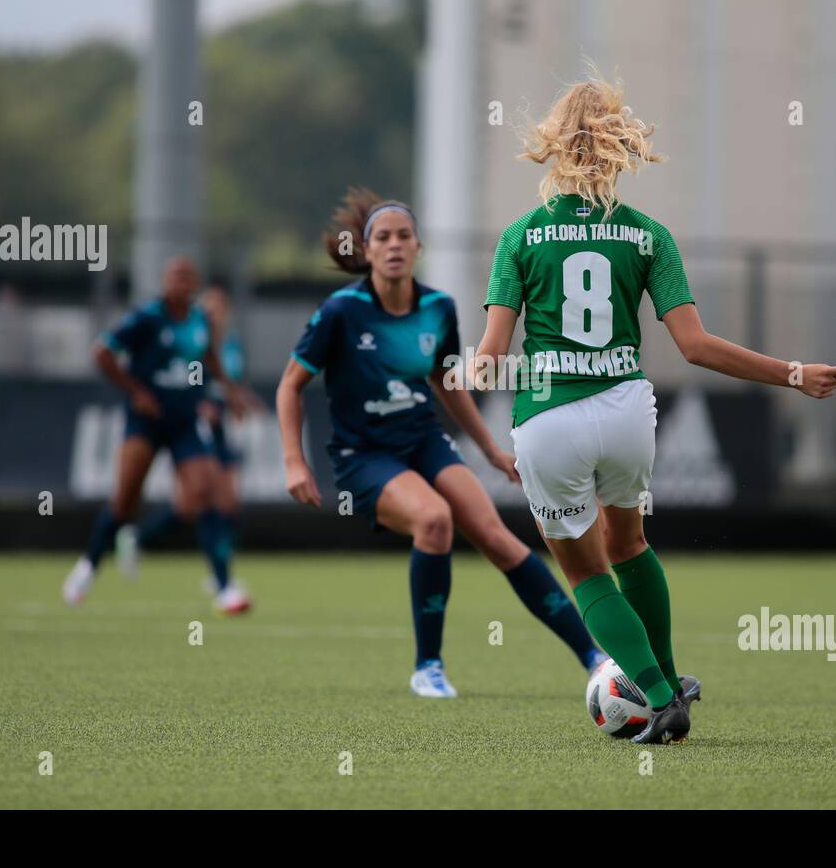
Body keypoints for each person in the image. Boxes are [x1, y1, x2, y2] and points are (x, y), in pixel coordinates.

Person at [474, 75, 836, 742]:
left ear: (553, 143)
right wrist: (794, 374)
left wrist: (465, 366)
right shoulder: (648, 236)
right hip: (626, 413)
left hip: (550, 420)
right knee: (631, 544)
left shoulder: (522, 237)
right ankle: (670, 680)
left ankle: (656, 694)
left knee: (586, 569)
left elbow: (493, 353)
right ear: (622, 141)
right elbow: (697, 348)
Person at [277, 188, 607, 698]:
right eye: (382, 237)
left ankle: (594, 656)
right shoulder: (342, 311)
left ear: (417, 247)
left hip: (424, 442)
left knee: (499, 540)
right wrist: (294, 461)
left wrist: (492, 450)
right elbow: (290, 385)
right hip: (363, 457)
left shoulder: (438, 308)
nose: (393, 245)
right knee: (434, 520)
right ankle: (427, 666)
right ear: (366, 252)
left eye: (403, 236)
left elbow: (446, 385)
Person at [63, 257, 252, 615]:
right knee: (125, 500)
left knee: (205, 494)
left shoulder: (200, 320)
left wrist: (230, 392)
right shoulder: (146, 318)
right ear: (164, 281)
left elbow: (208, 359)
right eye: (174, 276)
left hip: (184, 421)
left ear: (195, 282)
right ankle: (88, 566)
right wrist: (136, 391)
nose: (181, 282)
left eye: (187, 276)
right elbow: (102, 353)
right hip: (145, 422)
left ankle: (225, 588)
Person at [116, 284, 260, 579]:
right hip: (193, 427)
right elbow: (191, 382)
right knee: (188, 506)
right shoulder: (192, 343)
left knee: (229, 501)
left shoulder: (231, 346)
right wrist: (203, 405)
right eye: (209, 308)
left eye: (220, 308)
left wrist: (244, 400)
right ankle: (138, 540)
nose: (215, 314)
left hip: (219, 430)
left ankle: (221, 574)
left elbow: (228, 383)